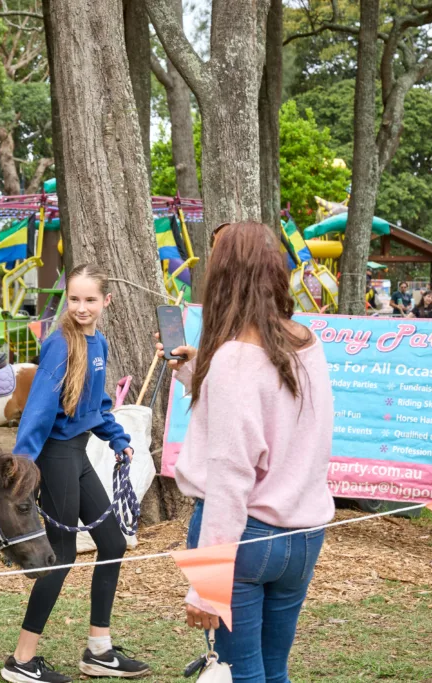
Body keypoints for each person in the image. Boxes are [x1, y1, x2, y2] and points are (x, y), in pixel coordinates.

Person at [158, 221, 334, 683]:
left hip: (244, 537)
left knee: (240, 674)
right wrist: (198, 371)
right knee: (272, 671)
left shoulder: (235, 360)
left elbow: (231, 477)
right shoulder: (306, 341)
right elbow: (276, 409)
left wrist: (207, 585)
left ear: (224, 276)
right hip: (304, 535)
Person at [4, 264, 148, 683]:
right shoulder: (59, 345)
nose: (81, 307)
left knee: (112, 542)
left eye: (90, 299)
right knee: (61, 557)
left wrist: (117, 438)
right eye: (74, 299)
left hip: (78, 452)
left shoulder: (97, 341)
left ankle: (99, 651)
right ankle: (22, 660)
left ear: (106, 302)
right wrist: (23, 464)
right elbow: (39, 410)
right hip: (53, 456)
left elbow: (95, 405)